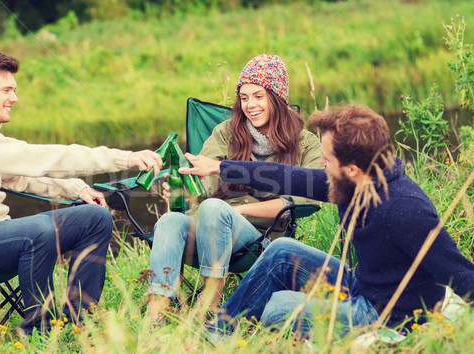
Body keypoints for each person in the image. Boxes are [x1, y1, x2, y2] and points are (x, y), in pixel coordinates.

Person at [0, 51, 163, 335]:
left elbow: (20, 178)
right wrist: (123, 158)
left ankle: (79, 318)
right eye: (7, 90)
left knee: (96, 217)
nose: (15, 98)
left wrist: (76, 188)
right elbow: (42, 157)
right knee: (39, 230)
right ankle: (39, 329)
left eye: (15, 90)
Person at [180, 103, 474, 336]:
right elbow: (287, 177)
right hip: (361, 284)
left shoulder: (405, 209)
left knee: (279, 309)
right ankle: (220, 331)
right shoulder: (352, 182)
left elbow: (459, 273)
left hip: (387, 315)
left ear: (353, 168)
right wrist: (220, 166)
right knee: (280, 250)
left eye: (327, 159)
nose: (321, 163)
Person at [146, 54, 322, 320]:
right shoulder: (227, 132)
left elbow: (304, 199)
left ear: (277, 97)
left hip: (260, 238)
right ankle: (157, 311)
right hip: (208, 227)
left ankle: (211, 303)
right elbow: (205, 182)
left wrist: (236, 213)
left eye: (258, 96)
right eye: (244, 97)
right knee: (170, 220)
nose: (250, 105)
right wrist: (183, 188)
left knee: (216, 208)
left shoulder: (306, 143)